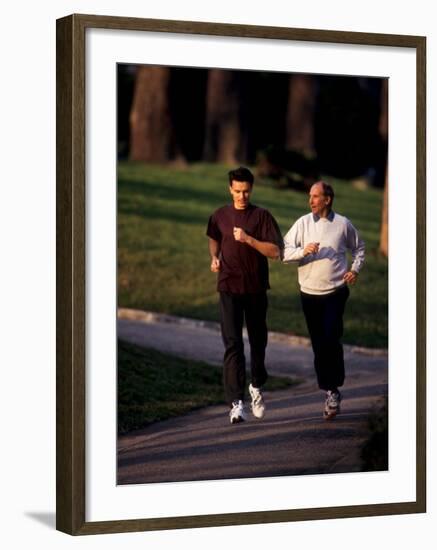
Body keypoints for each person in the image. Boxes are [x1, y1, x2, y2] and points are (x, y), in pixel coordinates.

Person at [206, 167, 283, 424]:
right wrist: (214, 257)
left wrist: (249, 239)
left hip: (256, 289)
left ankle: (256, 386)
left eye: (246, 191)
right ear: (230, 189)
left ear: (252, 189)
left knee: (258, 341)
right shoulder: (219, 215)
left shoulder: (262, 217)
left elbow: (275, 252)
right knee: (232, 344)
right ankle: (236, 403)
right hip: (228, 286)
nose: (242, 196)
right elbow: (214, 238)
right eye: (237, 191)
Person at [283, 181, 365, 420]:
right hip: (308, 293)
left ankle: (333, 388)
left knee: (331, 337)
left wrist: (355, 269)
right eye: (310, 196)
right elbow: (284, 252)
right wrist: (303, 251)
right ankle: (329, 389)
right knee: (319, 344)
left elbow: (359, 248)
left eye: (315, 196)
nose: (310, 201)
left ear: (327, 199)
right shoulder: (303, 223)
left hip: (335, 292)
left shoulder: (343, 224)